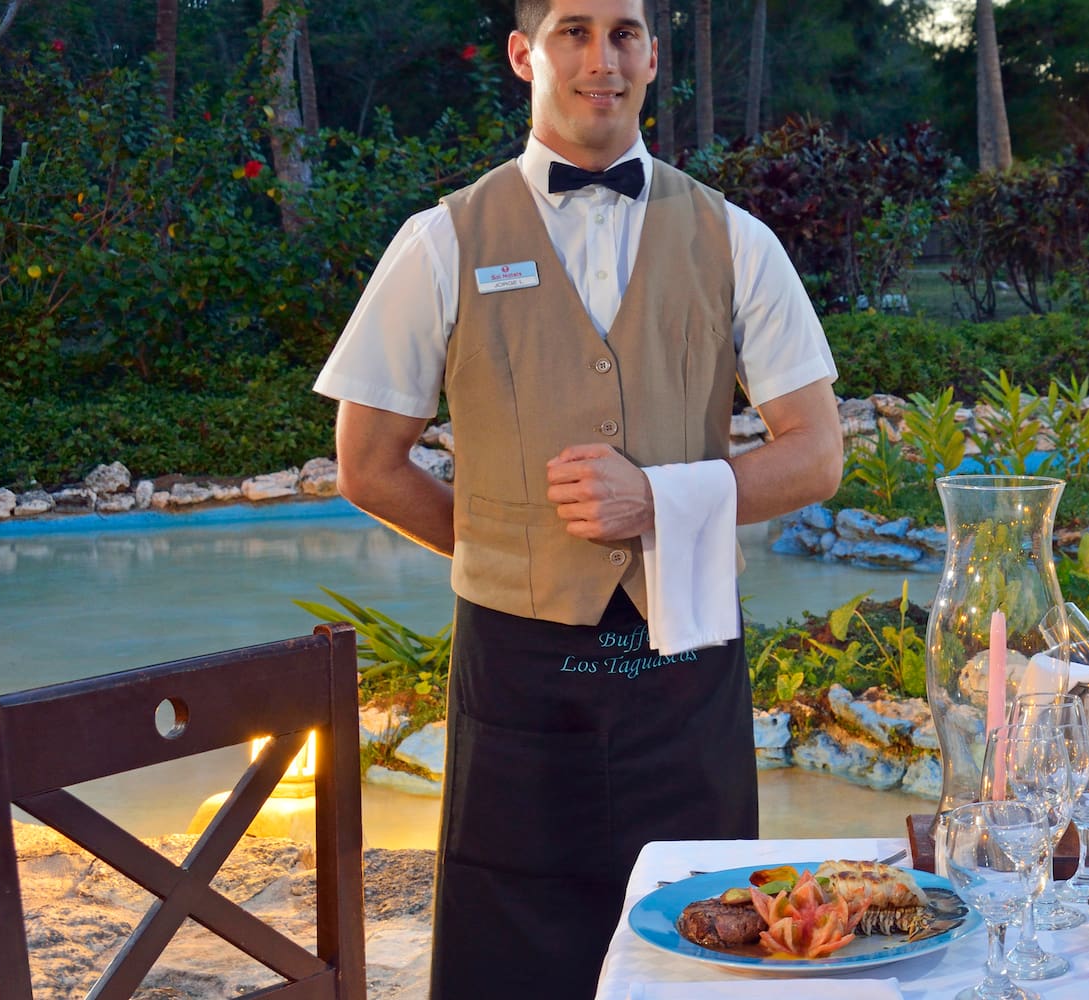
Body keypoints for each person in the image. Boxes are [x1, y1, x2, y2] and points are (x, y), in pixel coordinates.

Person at [312, 0, 843, 994]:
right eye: (573, 30)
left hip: (687, 674)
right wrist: (503, 548)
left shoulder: (736, 239)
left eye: (625, 32)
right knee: (510, 957)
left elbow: (815, 456)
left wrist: (661, 499)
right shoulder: (440, 241)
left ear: (651, 55)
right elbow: (369, 463)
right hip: (517, 679)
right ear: (524, 53)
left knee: (709, 945)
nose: (602, 58)